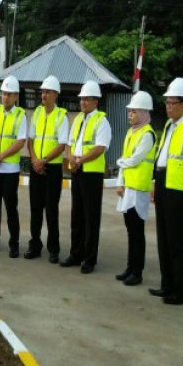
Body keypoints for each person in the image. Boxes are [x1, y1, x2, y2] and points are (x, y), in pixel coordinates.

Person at [149, 77, 183, 305]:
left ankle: (181, 291)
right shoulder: (170, 126)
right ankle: (167, 284)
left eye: (172, 103)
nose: (168, 106)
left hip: (179, 188)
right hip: (163, 182)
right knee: (163, 238)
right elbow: (161, 155)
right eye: (167, 102)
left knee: (177, 240)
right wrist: (155, 181)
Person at [60, 80, 111, 274]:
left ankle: (89, 259)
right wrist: (70, 157)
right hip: (78, 170)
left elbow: (100, 148)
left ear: (96, 101)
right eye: (82, 99)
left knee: (91, 217)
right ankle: (76, 253)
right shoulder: (78, 120)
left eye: (87, 99)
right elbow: (69, 143)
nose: (83, 102)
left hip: (92, 173)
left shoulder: (102, 121)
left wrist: (80, 160)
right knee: (77, 215)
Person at [25, 75, 69, 264]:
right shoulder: (36, 113)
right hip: (36, 167)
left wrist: (43, 161)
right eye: (42, 91)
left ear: (56, 95)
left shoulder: (62, 116)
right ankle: (35, 245)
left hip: (52, 169)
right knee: (35, 209)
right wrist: (35, 160)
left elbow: (61, 145)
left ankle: (54, 249)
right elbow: (31, 140)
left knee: (51, 210)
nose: (44, 95)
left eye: (48, 92)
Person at [0, 75, 27, 258]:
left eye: (9, 94)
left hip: (9, 170)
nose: (5, 97)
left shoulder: (20, 115)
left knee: (10, 208)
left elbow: (20, 141)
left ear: (16, 96)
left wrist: (1, 156)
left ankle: (14, 244)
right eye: (3, 94)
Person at [115, 91, 156, 286]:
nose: (130, 114)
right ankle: (130, 267)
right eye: (130, 111)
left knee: (137, 231)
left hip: (139, 189)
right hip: (128, 189)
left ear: (143, 112)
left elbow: (134, 159)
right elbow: (126, 160)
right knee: (130, 230)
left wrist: (120, 162)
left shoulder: (147, 134)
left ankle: (137, 271)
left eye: (133, 111)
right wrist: (120, 183)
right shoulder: (131, 132)